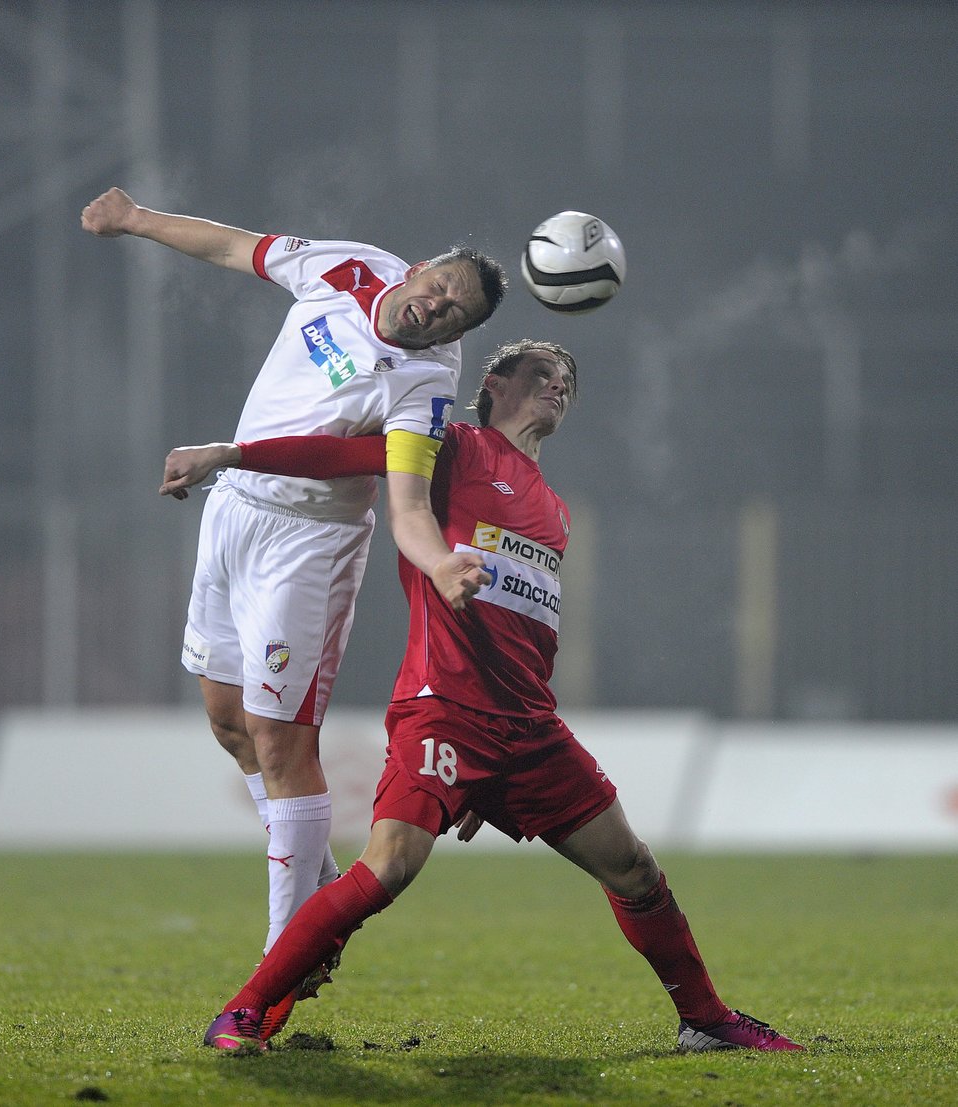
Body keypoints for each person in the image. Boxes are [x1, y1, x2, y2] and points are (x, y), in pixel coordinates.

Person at [172, 339, 803, 1054]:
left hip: (530, 728)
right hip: (444, 709)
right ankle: (246, 1009)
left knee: (632, 865)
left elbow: (529, 631)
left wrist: (495, 780)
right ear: (493, 384)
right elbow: (347, 458)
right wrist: (234, 454)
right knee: (389, 866)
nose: (559, 383)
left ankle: (706, 1018)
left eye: (567, 377)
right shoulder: (453, 448)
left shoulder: (555, 509)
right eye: (540, 371)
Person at [82, 188, 507, 985]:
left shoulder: (424, 387)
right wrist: (137, 218)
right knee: (226, 719)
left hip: (309, 546)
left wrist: (440, 559)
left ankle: (290, 955)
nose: (437, 309)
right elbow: (233, 245)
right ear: (416, 270)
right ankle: (313, 878)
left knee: (282, 742)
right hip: (234, 509)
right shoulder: (348, 268)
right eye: (439, 289)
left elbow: (405, 498)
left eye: (455, 316)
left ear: (456, 339)